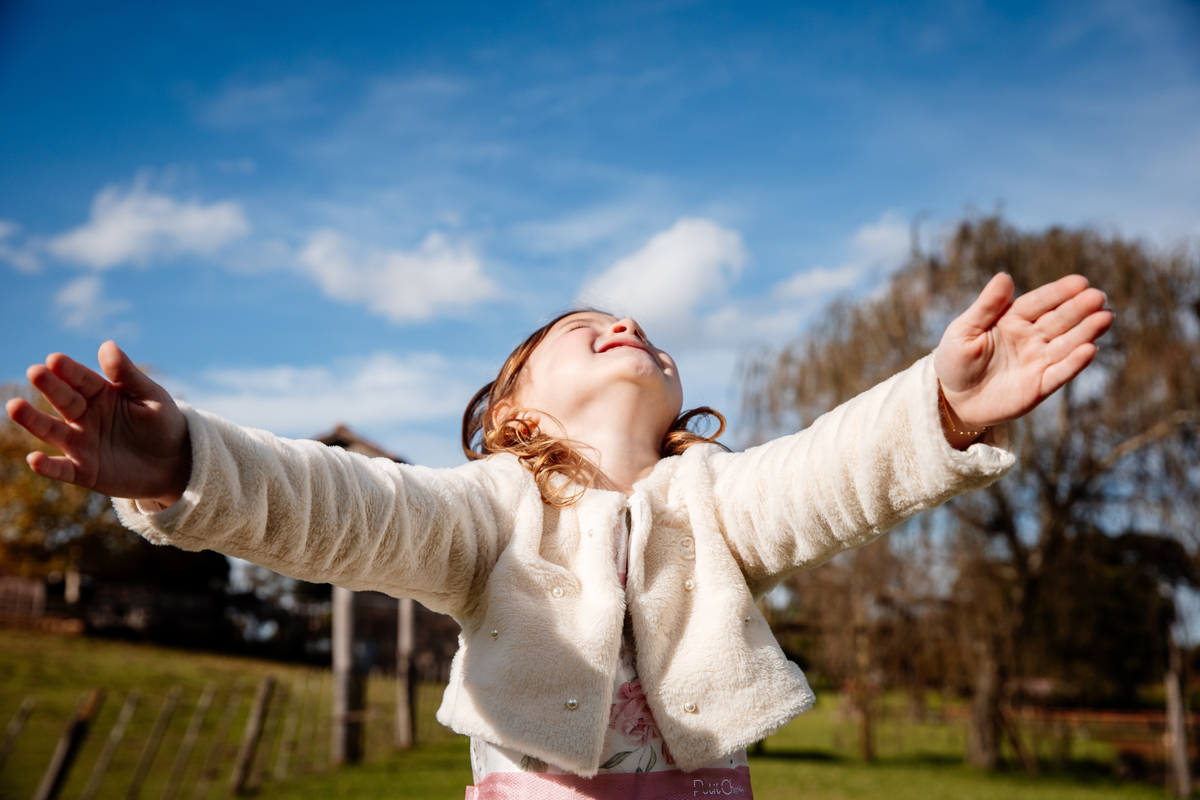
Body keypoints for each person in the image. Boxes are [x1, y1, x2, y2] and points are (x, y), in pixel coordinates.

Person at [6, 272, 1111, 798]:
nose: (625, 323)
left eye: (641, 330)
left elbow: (835, 470)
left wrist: (942, 405)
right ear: (515, 414)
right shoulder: (487, 510)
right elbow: (344, 505)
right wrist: (191, 464)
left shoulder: (716, 498)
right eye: (583, 333)